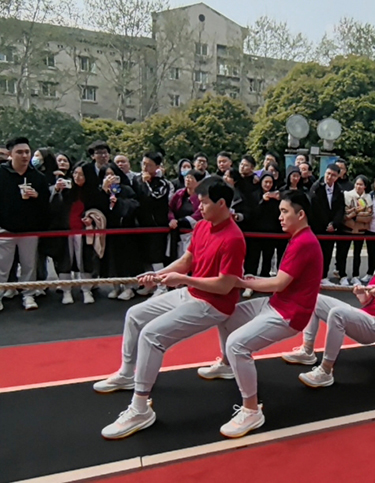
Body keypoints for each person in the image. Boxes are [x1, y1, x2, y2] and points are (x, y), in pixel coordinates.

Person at [93, 177, 246, 440]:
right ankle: (128, 374)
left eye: (204, 203)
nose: (199, 207)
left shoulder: (234, 239)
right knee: (135, 315)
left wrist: (184, 280)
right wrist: (158, 275)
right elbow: (187, 260)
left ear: (222, 203)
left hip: (214, 304)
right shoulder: (202, 226)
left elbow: (224, 286)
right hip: (192, 293)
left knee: (151, 336)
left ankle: (140, 408)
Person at [199, 190, 323, 438]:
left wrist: (242, 282)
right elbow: (282, 282)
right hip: (277, 304)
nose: (280, 217)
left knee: (236, 345)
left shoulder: (304, 242)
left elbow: (279, 283)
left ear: (300, 215)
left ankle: (251, 410)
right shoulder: (299, 239)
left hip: (290, 314)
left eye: (284, 212)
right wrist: (252, 280)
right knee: (227, 315)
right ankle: (227, 365)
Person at [283, 241, 375, 387]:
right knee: (314, 299)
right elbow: (365, 302)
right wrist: (360, 293)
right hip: (364, 317)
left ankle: (325, 370)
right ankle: (307, 351)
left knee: (337, 313)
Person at [0, 137, 49, 312]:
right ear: (10, 154)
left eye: (27, 152)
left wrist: (37, 196)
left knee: (29, 265)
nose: (24, 156)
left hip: (30, 229)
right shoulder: (1, 173)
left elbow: (46, 204)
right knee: (2, 265)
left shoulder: (38, 177)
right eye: (19, 152)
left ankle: (29, 295)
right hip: (5, 228)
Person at [49, 161, 106, 305]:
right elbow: (53, 208)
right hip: (65, 231)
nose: (77, 177)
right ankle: (66, 291)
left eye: (81, 174)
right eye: (75, 173)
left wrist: (91, 218)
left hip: (85, 232)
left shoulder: (94, 192)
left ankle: (86, 290)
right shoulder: (67, 191)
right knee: (65, 261)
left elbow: (100, 209)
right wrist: (57, 191)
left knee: (85, 261)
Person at [133, 152, 171, 298]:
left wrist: (148, 183)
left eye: (149, 165)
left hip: (157, 225)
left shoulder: (162, 183)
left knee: (156, 257)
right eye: (143, 164)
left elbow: (155, 197)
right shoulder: (136, 180)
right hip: (140, 224)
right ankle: (148, 285)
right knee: (144, 257)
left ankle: (162, 286)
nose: (145, 167)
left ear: (157, 167)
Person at [103, 163, 141, 301]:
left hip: (126, 229)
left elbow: (134, 204)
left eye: (112, 174)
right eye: (107, 175)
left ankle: (129, 288)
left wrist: (119, 202)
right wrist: (104, 192)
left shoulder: (126, 189)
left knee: (127, 258)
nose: (110, 177)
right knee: (113, 259)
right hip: (109, 230)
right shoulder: (101, 190)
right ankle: (116, 286)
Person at [243, 173, 285, 295]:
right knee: (252, 259)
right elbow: (251, 213)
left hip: (271, 233)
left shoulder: (277, 197)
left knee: (268, 258)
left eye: (270, 182)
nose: (268, 185)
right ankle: (249, 285)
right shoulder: (253, 195)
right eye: (266, 182)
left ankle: (265, 284)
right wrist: (262, 201)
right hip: (255, 233)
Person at [309, 164, 344, 284]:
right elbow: (315, 208)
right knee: (315, 253)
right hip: (318, 227)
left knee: (328, 252)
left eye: (333, 175)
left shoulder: (338, 189)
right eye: (328, 173)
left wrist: (334, 224)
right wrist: (325, 224)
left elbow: (340, 209)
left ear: (337, 177)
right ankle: (313, 276)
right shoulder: (316, 187)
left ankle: (323, 276)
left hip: (331, 228)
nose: (329, 177)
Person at [338, 175, 373, 286]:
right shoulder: (347, 195)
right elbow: (345, 214)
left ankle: (355, 275)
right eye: (357, 184)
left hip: (361, 230)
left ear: (365, 186)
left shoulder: (368, 197)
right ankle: (342, 275)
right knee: (343, 253)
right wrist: (357, 212)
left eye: (361, 184)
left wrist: (355, 214)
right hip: (347, 228)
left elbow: (369, 215)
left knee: (357, 253)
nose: (358, 186)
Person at [168, 169, 203, 260]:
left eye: (191, 178)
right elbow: (170, 208)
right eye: (187, 177)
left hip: (193, 232)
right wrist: (172, 219)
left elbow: (199, 214)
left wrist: (180, 222)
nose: (188, 180)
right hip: (177, 231)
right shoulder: (179, 194)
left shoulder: (202, 196)